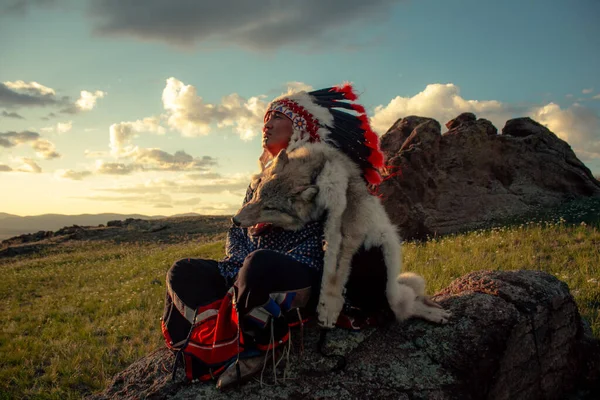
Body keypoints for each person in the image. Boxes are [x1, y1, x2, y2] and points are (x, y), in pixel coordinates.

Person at [163, 83, 387, 389]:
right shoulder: (259, 180)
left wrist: (263, 266)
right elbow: (238, 232)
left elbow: (336, 232)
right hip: (251, 273)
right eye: (265, 119)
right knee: (183, 270)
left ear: (300, 125)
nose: (265, 125)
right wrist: (235, 269)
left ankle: (256, 348)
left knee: (261, 266)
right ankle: (223, 330)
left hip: (305, 271)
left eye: (276, 117)